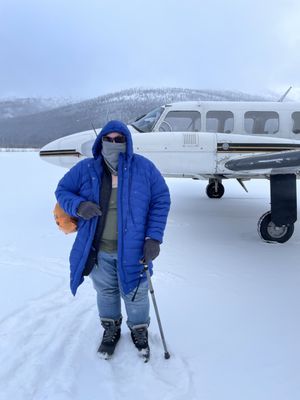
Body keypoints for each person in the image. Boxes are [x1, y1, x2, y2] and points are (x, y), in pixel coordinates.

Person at [55, 120, 170, 360]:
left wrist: (154, 238)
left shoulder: (144, 168)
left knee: (136, 292)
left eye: (120, 140)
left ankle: (139, 330)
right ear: (101, 141)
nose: (114, 143)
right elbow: (62, 190)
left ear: (127, 142)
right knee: (106, 291)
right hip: (98, 249)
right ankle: (111, 329)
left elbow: (161, 200)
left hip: (135, 249)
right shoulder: (86, 169)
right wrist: (79, 205)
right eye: (109, 139)